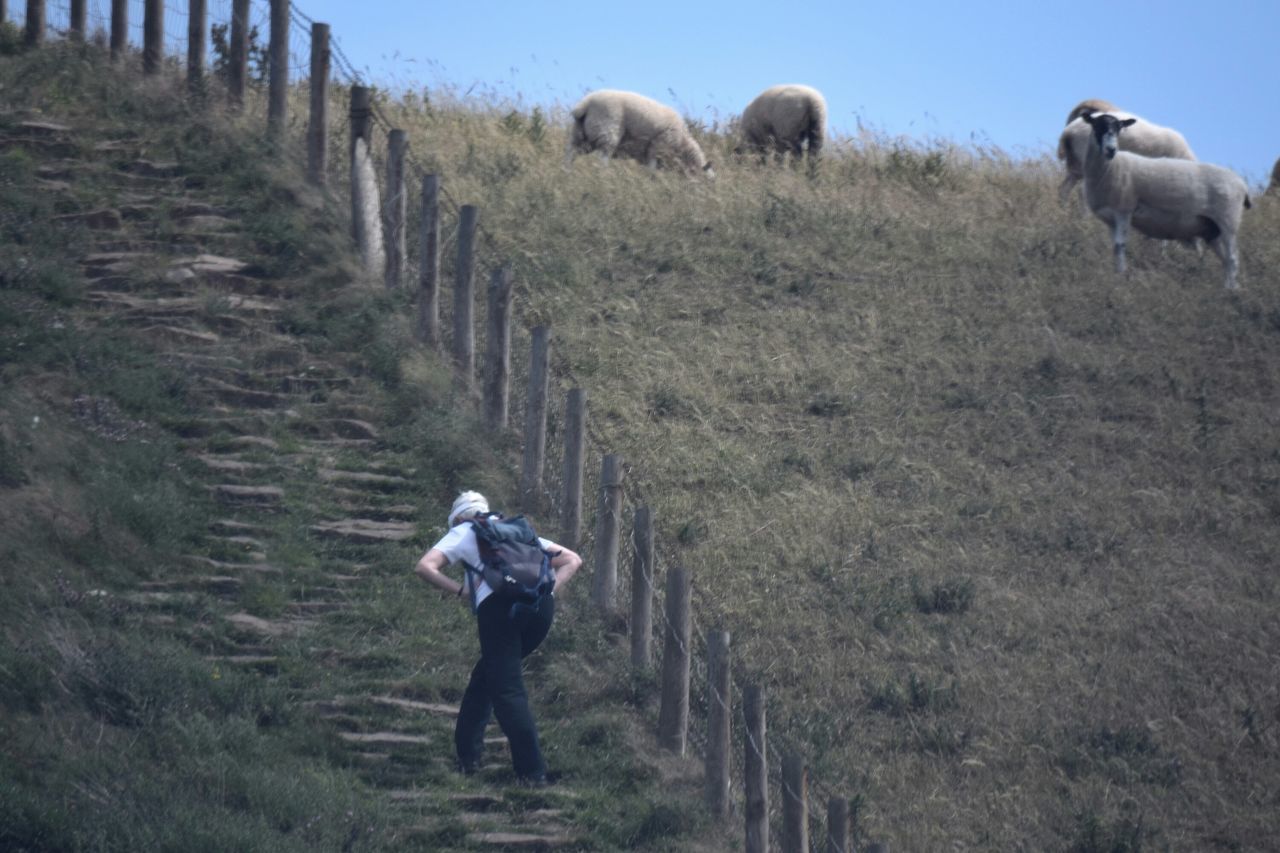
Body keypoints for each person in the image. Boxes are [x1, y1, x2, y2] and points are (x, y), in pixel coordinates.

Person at [413, 490, 583, 786]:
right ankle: (468, 755)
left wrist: (460, 590)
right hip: (540, 611)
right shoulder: (514, 529)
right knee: (489, 674)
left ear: (457, 518)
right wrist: (548, 592)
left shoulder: (465, 531)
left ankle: (532, 773)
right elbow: (572, 559)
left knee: (507, 690)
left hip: (500, 611)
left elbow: (425, 566)